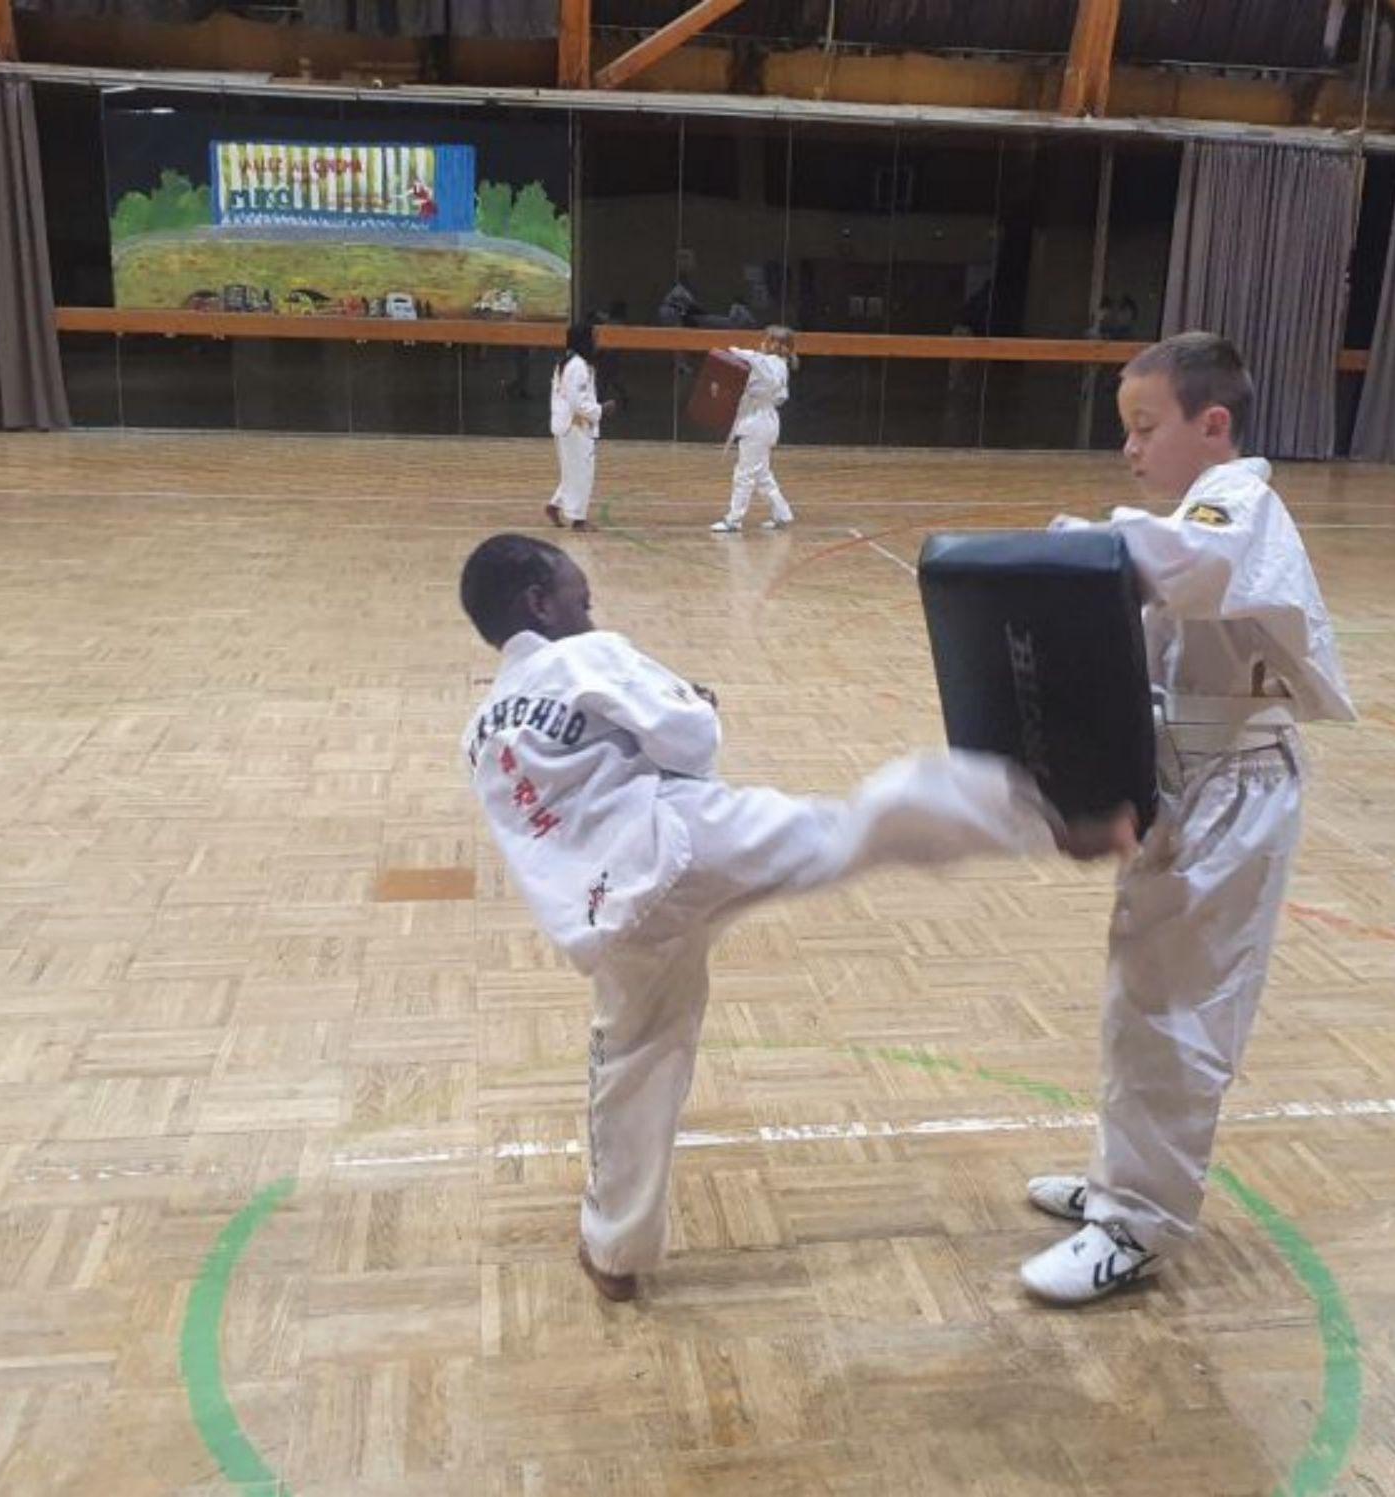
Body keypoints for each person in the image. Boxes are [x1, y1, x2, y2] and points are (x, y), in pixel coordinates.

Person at [457, 535, 1136, 1302]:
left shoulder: (480, 730)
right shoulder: (586, 654)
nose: (590, 612)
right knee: (856, 825)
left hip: (608, 910)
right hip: (685, 843)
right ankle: (1054, 823)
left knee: (633, 1053)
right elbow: (692, 741)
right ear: (540, 604)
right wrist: (695, 701)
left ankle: (614, 1248)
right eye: (580, 600)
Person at [1019, 331, 1357, 1306]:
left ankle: (1139, 1224)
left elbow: (1182, 561)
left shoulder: (1235, 505)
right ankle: (1120, 1181)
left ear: (1211, 424)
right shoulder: (1192, 517)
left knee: (1180, 1011)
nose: (1128, 448)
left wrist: (1068, 546)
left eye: (1144, 425)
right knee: (1141, 994)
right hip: (1186, 779)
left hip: (1234, 788)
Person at [711, 326, 798, 535]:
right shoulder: (778, 365)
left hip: (757, 424)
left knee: (744, 474)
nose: (762, 342)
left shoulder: (767, 363)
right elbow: (779, 397)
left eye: (767, 340)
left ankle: (733, 520)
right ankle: (782, 513)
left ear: (775, 344)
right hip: (764, 421)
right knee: (762, 474)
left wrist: (729, 353)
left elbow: (741, 354)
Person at [548, 322, 614, 532]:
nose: (596, 342)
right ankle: (578, 520)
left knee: (572, 472)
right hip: (575, 426)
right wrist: (601, 410)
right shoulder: (577, 366)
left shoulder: (568, 362)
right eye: (593, 338)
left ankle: (555, 505)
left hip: (567, 425)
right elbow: (578, 403)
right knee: (582, 473)